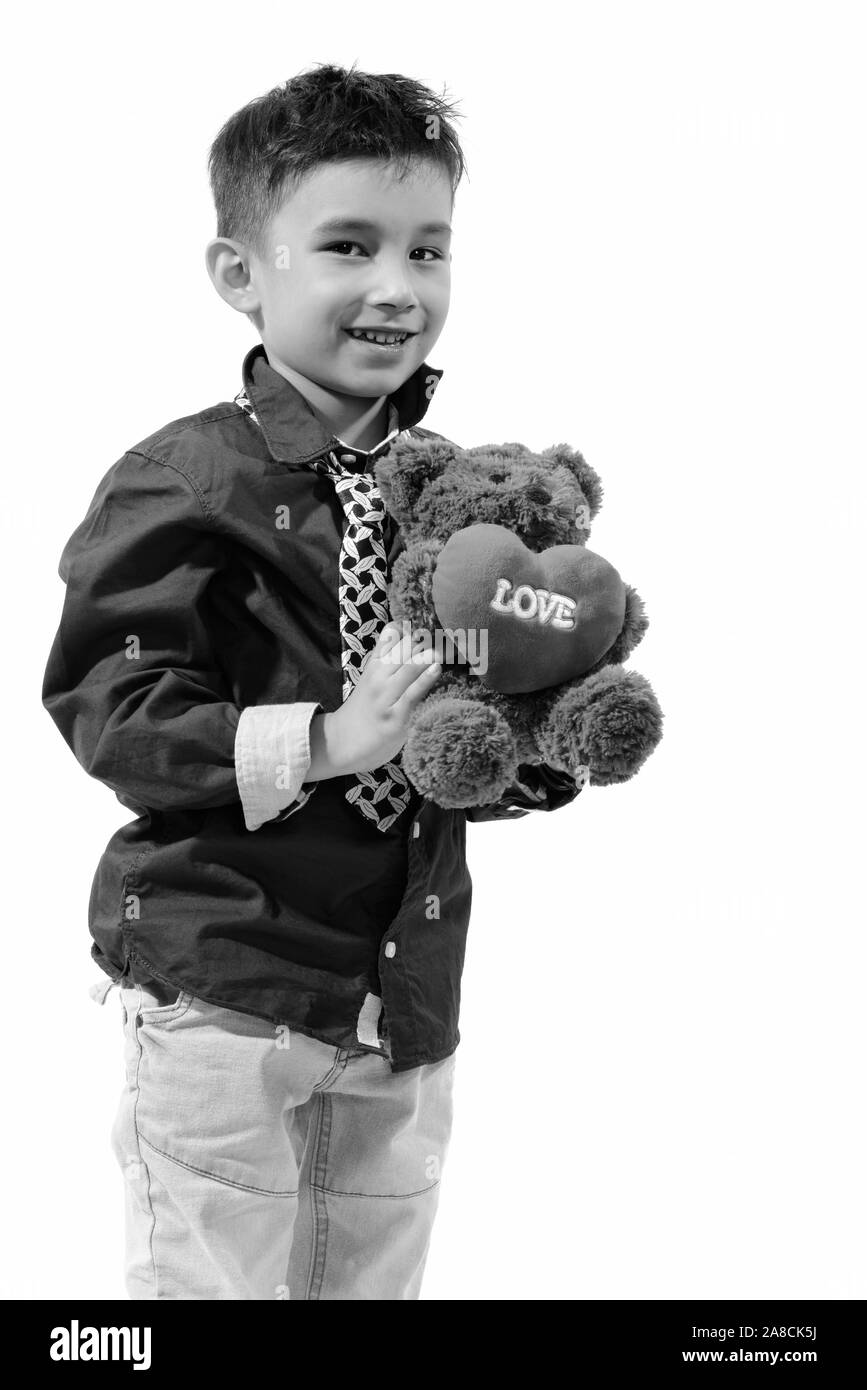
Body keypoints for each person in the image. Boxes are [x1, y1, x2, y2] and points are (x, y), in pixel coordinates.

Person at [42, 62, 581, 1301]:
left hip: (402, 989)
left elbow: (459, 736)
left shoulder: (463, 498)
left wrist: (535, 737)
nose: (398, 288)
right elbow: (113, 714)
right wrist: (331, 739)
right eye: (348, 245)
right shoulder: (180, 480)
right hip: (226, 983)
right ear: (242, 275)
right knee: (208, 1288)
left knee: (367, 1286)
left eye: (428, 251)